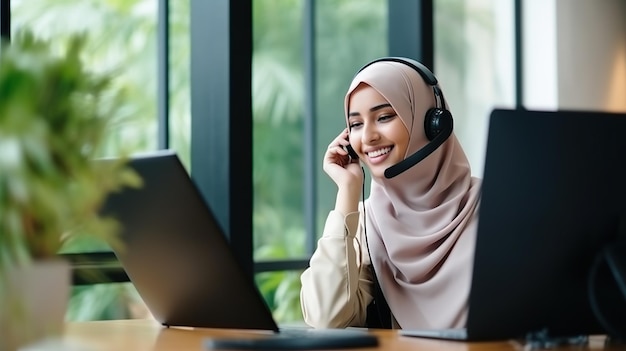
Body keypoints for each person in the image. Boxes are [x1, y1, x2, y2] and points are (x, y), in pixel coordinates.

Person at [299, 57, 481, 330]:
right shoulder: (367, 223)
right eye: (356, 124)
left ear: (432, 124)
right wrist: (347, 191)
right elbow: (326, 316)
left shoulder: (490, 205)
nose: (368, 137)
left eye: (384, 117)